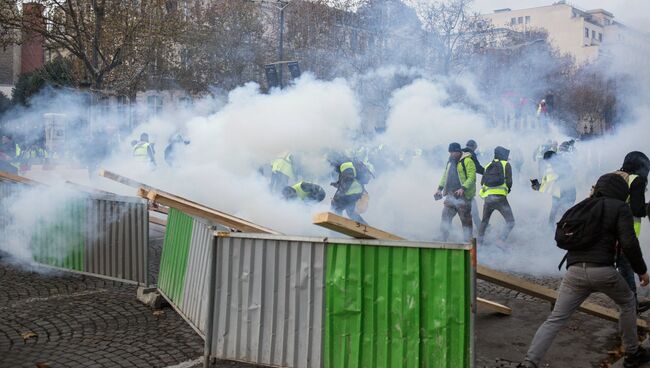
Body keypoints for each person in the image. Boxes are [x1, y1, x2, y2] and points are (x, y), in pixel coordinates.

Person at [518, 173, 650, 368]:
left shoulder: (582, 206)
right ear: (621, 192)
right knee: (628, 302)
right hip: (604, 272)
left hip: (574, 272)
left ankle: (529, 363)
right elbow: (629, 243)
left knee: (555, 319)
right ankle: (632, 353)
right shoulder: (619, 207)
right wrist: (642, 271)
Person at [615, 151, 650, 313]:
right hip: (624, 233)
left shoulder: (616, 176)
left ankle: (631, 303)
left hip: (606, 231)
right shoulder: (638, 180)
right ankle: (631, 306)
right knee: (627, 270)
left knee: (622, 269)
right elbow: (637, 209)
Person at [435, 142, 476, 242]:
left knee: (466, 221)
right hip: (450, 195)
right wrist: (439, 189)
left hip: (463, 196)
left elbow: (472, 177)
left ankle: (468, 243)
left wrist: (463, 188)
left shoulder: (467, 161)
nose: (451, 154)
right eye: (450, 152)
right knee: (445, 218)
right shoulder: (449, 162)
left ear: (458, 151)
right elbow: (445, 176)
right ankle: (443, 239)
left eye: (452, 152)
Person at [478, 146, 515, 243]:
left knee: (484, 222)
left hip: (488, 199)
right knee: (510, 221)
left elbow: (482, 183)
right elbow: (509, 181)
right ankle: (500, 240)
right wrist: (507, 189)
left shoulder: (488, 165)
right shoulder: (506, 164)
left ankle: (479, 243)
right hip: (500, 199)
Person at [532, 151, 576, 225]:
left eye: (548, 161)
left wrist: (540, 187)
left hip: (568, 194)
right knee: (554, 211)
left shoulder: (563, 166)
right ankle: (551, 228)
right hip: (558, 193)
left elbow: (555, 182)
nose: (548, 163)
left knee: (564, 213)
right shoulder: (553, 166)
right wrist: (538, 186)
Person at [331, 159, 368, 224]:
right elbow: (346, 179)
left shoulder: (345, 165)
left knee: (335, 206)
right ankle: (365, 227)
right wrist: (337, 184)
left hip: (352, 191)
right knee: (350, 212)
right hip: (356, 191)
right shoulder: (348, 165)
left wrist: (337, 197)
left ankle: (337, 226)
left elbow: (348, 180)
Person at [464, 139, 484, 232]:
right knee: (473, 209)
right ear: (474, 146)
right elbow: (477, 167)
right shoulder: (470, 153)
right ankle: (478, 229)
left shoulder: (458, 152)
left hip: (455, 187)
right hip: (466, 187)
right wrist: (487, 172)